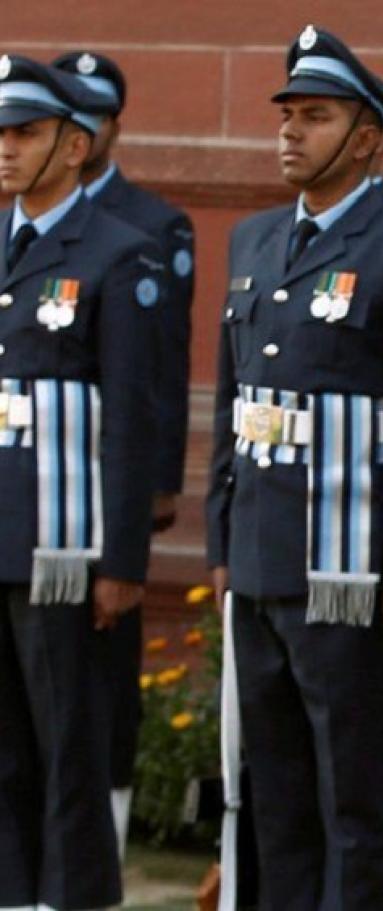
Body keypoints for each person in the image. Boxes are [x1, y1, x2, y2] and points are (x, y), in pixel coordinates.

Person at [203, 24, 383, 908]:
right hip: (259, 550)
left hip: (345, 565)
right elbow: (234, 402)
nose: (290, 131)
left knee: (350, 784)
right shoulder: (254, 238)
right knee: (272, 781)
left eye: (315, 116)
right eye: (287, 115)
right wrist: (221, 541)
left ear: (368, 136)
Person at [0, 54, 162, 911]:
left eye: (24, 132)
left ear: (73, 145)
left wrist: (122, 561)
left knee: (68, 743)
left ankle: (74, 898)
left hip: (62, 549)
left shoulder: (117, 255)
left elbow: (130, 419)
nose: (5, 147)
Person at [51, 47, 198, 857]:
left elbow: (160, 370)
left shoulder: (150, 223)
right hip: (35, 485)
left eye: (93, 114)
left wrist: (157, 483)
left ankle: (102, 826)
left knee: (105, 663)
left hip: (111, 478)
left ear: (110, 126)